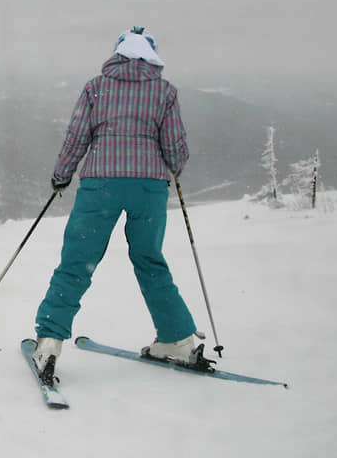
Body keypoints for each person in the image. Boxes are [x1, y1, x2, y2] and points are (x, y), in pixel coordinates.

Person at [32, 27, 211, 383]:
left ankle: (49, 341)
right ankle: (176, 339)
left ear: (118, 54)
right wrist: (173, 167)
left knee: (77, 263)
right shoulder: (164, 91)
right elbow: (175, 147)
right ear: (150, 57)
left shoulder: (96, 86)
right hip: (149, 187)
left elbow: (77, 135)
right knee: (150, 262)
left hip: (101, 184)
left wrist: (61, 175)